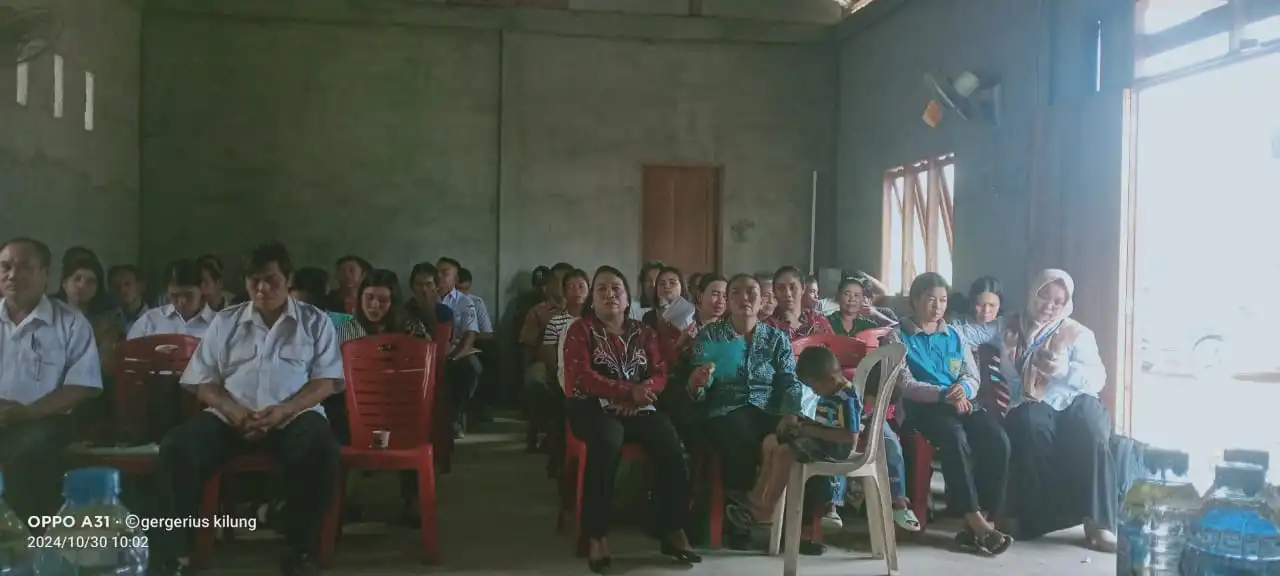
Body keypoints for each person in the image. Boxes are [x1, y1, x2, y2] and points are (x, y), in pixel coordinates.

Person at [150, 242, 343, 576]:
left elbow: (325, 382)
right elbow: (202, 382)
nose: (262, 288)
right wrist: (233, 411)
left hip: (293, 417)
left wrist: (284, 410)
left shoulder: (315, 321)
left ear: (289, 279)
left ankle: (300, 551)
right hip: (231, 419)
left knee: (320, 447)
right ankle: (175, 555)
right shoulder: (226, 322)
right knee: (176, 448)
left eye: (271, 280)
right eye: (254, 281)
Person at [954, 269, 1116, 551]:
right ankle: (1039, 518)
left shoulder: (1077, 333)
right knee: (1027, 424)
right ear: (1033, 294)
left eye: (1058, 301)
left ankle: (1099, 522)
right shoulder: (1009, 325)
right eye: (1044, 297)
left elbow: (1097, 379)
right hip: (1032, 400)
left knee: (1092, 430)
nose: (1049, 306)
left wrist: (1061, 369)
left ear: (1066, 303)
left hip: (1075, 397)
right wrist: (933, 326)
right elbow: (966, 334)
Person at [560, 266, 698, 572]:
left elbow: (659, 372)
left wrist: (640, 394)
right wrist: (626, 392)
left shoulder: (643, 332)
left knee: (668, 440)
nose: (610, 294)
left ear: (627, 298)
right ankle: (596, 535)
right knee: (608, 440)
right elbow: (581, 375)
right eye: (602, 289)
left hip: (638, 406)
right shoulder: (581, 330)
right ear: (592, 299)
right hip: (590, 407)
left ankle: (672, 527)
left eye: (616, 289)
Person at [894, 272, 1012, 555]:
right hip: (922, 407)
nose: (938, 306)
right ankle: (974, 519)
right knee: (953, 435)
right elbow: (906, 384)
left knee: (997, 439)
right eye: (930, 299)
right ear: (914, 300)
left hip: (959, 401)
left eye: (943, 300)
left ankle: (985, 518)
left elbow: (971, 375)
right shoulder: (897, 336)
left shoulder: (954, 334)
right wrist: (944, 394)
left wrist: (962, 390)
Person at [691, 273, 803, 550]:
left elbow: (789, 380)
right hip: (725, 408)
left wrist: (790, 411)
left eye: (751, 291)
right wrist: (699, 383)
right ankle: (740, 524)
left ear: (762, 299)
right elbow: (698, 390)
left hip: (767, 408)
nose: (745, 298)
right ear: (728, 301)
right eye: (736, 292)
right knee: (742, 439)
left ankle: (767, 514)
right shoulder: (710, 336)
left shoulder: (776, 337)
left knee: (792, 440)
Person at [0, 237, 103, 519]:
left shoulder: (71, 322)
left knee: (31, 453)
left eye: (24, 267)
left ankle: (24, 537)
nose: (13, 275)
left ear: (45, 274)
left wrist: (29, 412)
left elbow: (80, 386)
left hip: (46, 421)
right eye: (5, 267)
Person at [725, 346, 863, 555]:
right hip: (818, 439)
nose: (813, 391)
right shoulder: (830, 390)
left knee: (784, 453)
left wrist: (812, 431)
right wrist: (802, 425)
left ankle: (767, 510)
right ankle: (756, 497)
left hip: (834, 449)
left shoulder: (847, 398)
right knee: (771, 441)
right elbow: (824, 420)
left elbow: (850, 438)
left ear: (830, 378)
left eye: (814, 386)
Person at [436, 257, 483, 434]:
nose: (439, 277)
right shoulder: (427, 298)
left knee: (471, 367)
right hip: (429, 351)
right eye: (436, 272)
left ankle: (455, 415)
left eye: (444, 273)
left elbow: (470, 335)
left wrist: (453, 357)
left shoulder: (465, 302)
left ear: (455, 279)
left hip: (456, 351)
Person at [127, 259, 216, 340]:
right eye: (174, 295)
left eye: (188, 295)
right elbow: (129, 350)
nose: (181, 301)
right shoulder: (149, 321)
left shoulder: (218, 325)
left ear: (202, 289)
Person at [766, 266, 833, 339]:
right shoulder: (768, 327)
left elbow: (834, 344)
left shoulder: (819, 321)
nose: (787, 293)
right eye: (780, 288)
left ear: (803, 288)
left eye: (792, 287)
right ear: (774, 291)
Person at [827, 276, 897, 337]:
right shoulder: (827, 322)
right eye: (847, 294)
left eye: (857, 295)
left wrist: (875, 314)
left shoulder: (871, 324)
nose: (852, 299)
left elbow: (896, 329)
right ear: (838, 297)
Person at [108, 264, 149, 334]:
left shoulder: (155, 320)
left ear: (141, 286)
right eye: (116, 286)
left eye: (127, 284)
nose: (122, 290)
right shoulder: (108, 321)